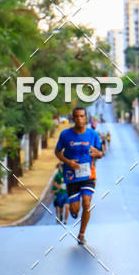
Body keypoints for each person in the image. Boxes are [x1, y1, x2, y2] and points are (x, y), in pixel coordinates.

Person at [55, 105, 104, 246]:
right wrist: (68, 162)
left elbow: (100, 152)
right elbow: (57, 152)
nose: (79, 119)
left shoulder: (93, 134)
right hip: (71, 175)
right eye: (76, 116)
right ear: (73, 118)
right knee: (75, 210)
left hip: (88, 175)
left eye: (82, 116)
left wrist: (98, 153)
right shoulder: (65, 135)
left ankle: (81, 234)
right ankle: (74, 210)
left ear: (86, 118)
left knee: (87, 203)